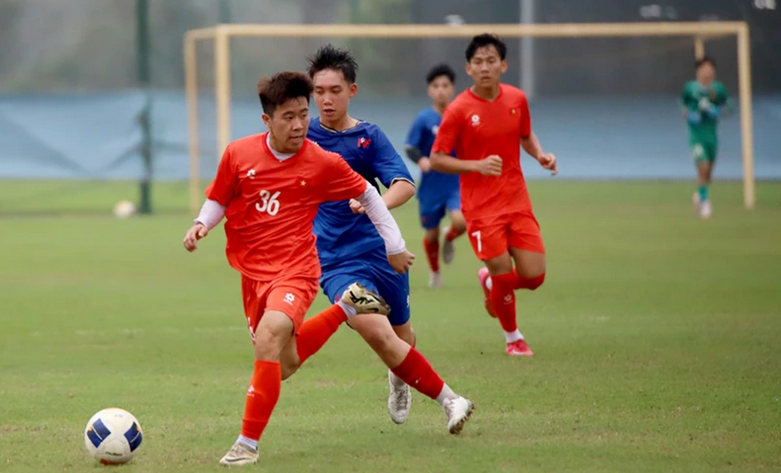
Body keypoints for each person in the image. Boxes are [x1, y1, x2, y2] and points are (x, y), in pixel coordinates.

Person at [183, 71, 415, 466]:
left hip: (298, 267)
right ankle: (346, 309)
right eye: (288, 116)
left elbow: (370, 195)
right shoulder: (238, 154)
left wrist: (395, 246)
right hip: (254, 273)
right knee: (282, 363)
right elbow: (220, 197)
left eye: (302, 115)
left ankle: (247, 444)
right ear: (267, 120)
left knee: (271, 334)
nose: (298, 124)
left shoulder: (323, 159)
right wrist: (202, 223)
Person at [282, 45, 473, 429]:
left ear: (351, 91)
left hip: (382, 252)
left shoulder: (368, 138)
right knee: (376, 330)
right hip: (334, 260)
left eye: (334, 90)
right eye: (318, 91)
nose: (325, 99)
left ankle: (399, 376)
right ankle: (452, 401)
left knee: (402, 335)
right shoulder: (301, 136)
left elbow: (403, 184)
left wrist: (374, 203)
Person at [430, 33, 558, 357]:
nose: (485, 67)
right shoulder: (458, 110)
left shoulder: (517, 99)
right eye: (478, 62)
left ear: (503, 65)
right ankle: (513, 338)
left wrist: (540, 155)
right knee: (502, 268)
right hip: (480, 206)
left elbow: (526, 135)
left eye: (491, 61)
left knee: (534, 276)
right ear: (469, 68)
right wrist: (477, 165)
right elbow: (437, 158)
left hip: (516, 199)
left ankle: (490, 283)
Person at [405, 63, 466, 288]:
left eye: (445, 85)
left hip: (456, 182)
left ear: (452, 89)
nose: (441, 90)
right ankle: (435, 272)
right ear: (429, 91)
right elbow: (410, 146)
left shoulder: (460, 116)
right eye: (436, 86)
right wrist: (420, 159)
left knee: (461, 221)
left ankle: (449, 236)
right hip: (431, 186)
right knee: (431, 235)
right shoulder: (424, 119)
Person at [680, 56, 730, 219]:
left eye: (710, 68)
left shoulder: (718, 89)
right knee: (702, 165)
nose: (708, 71)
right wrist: (691, 115)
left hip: (711, 135)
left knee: (708, 173)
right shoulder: (689, 88)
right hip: (696, 135)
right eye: (705, 68)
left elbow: (729, 106)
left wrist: (717, 110)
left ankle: (699, 194)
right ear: (698, 71)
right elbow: (683, 108)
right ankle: (705, 203)